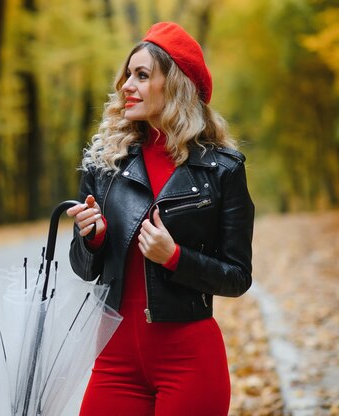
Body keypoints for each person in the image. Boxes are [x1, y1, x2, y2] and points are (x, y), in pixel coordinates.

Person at [66, 22, 255, 416]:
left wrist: (175, 257)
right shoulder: (105, 163)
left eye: (142, 75)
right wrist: (92, 240)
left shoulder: (222, 169)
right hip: (114, 359)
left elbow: (237, 277)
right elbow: (84, 269)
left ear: (176, 86)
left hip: (188, 360)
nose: (126, 87)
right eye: (127, 76)